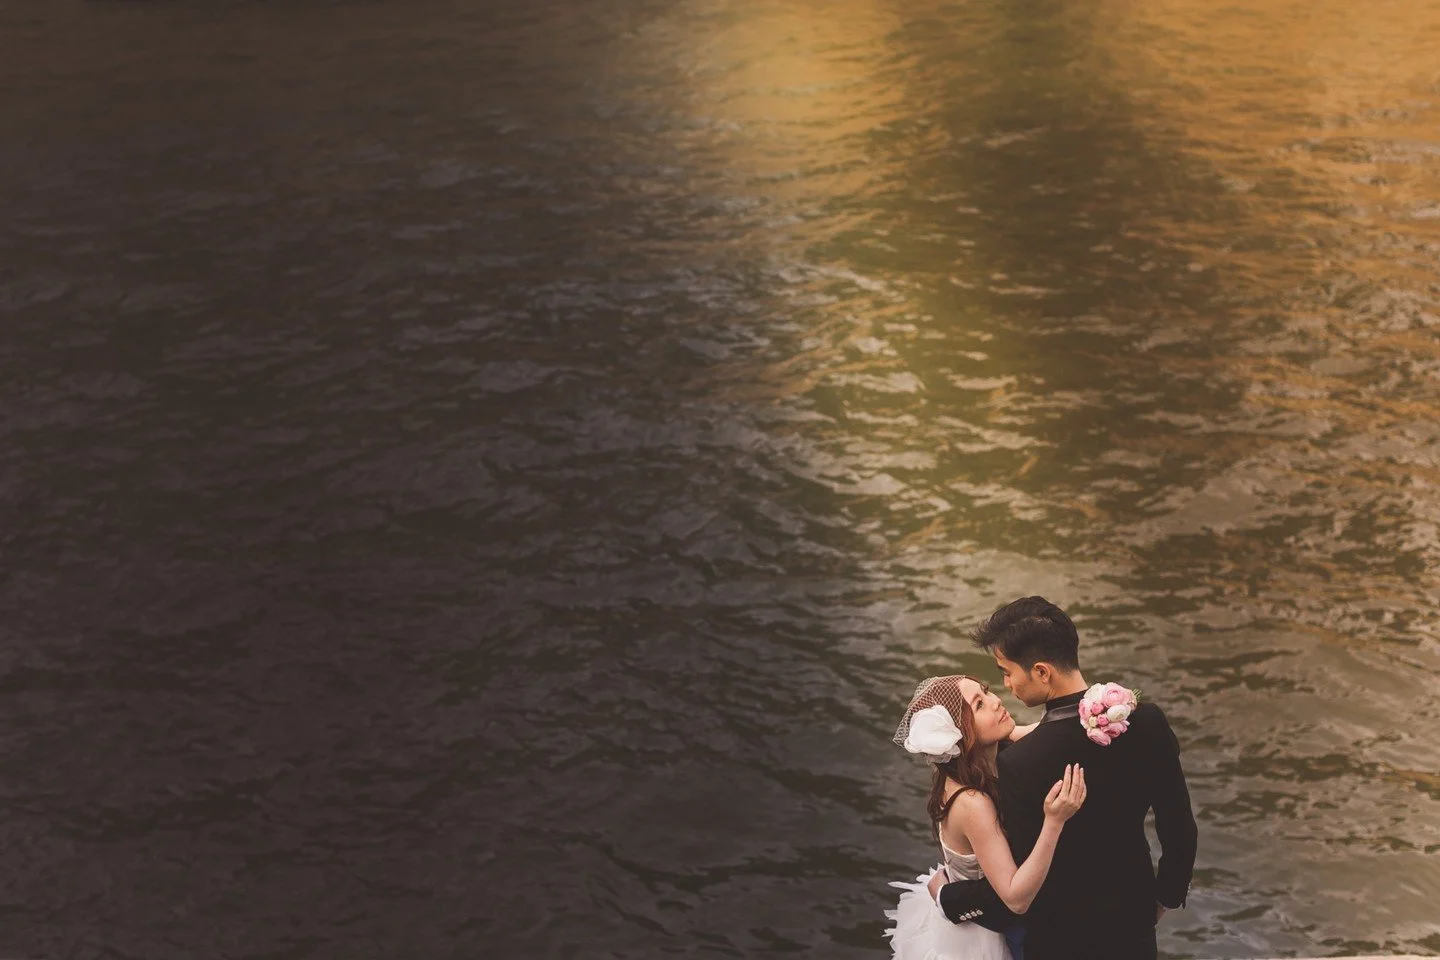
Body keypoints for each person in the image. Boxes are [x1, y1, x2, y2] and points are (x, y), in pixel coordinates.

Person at [930, 597, 1199, 960]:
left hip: (1059, 940)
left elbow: (1020, 887)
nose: (1007, 684)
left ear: (1042, 672)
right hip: (1133, 922)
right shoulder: (1146, 721)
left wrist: (949, 897)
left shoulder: (1020, 763)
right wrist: (1164, 897)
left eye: (1007, 672)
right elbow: (1180, 830)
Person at [885, 674, 1088, 960]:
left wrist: (1101, 707)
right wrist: (1054, 821)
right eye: (979, 705)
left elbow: (1047, 731)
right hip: (988, 934)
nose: (995, 701)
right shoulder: (972, 803)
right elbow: (1015, 899)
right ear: (962, 733)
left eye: (986, 691)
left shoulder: (988, 751)